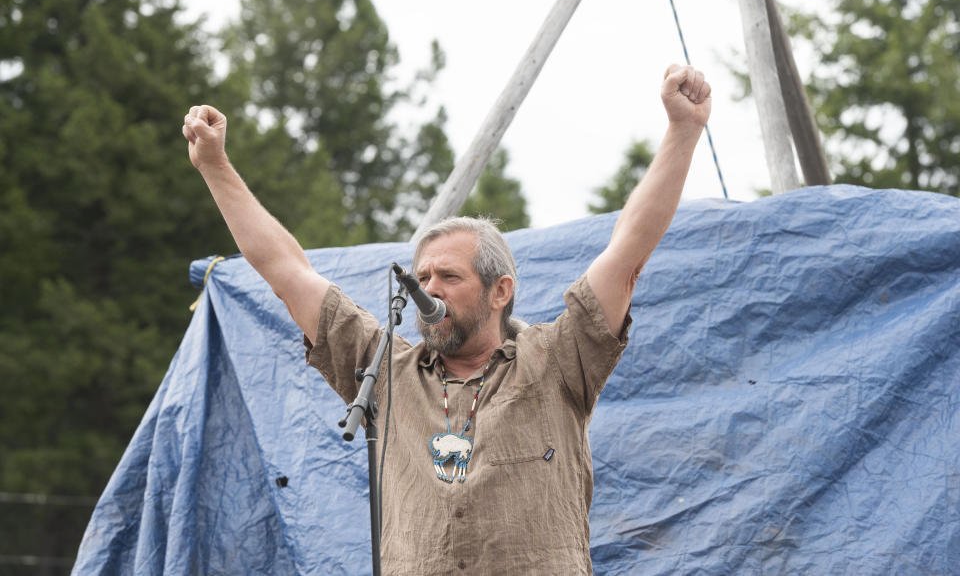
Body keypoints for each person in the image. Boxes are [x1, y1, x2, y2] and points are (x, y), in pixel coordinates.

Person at [182, 64, 711, 575]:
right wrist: (214, 165)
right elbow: (286, 271)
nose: (428, 288)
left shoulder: (556, 360)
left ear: (500, 290)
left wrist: (682, 131)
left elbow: (628, 253)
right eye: (422, 277)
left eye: (448, 277)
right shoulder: (383, 369)